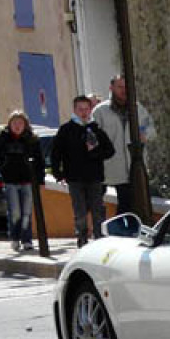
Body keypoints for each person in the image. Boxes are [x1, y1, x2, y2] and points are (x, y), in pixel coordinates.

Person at [51, 95, 115, 247]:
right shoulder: (66, 130)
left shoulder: (96, 129)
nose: (84, 112)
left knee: (97, 209)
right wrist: (58, 173)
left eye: (86, 109)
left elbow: (110, 151)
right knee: (79, 210)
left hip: (95, 176)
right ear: (74, 110)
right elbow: (56, 153)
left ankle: (99, 237)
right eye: (80, 109)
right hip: (74, 177)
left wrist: (95, 152)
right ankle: (82, 236)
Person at [0, 110, 46, 252]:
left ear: (25, 125)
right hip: (10, 181)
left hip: (28, 181)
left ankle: (27, 240)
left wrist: (41, 181)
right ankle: (15, 238)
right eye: (14, 123)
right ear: (9, 124)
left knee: (27, 212)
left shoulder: (32, 140)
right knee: (15, 212)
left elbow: (40, 162)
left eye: (20, 123)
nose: (17, 126)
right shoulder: (1, 139)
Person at [92, 75, 154, 215]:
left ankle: (123, 232)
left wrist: (145, 134)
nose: (124, 91)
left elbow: (150, 128)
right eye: (120, 87)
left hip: (133, 165)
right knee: (97, 204)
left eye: (126, 87)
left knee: (128, 204)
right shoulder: (100, 111)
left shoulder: (138, 108)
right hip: (109, 165)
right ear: (111, 88)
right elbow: (91, 137)